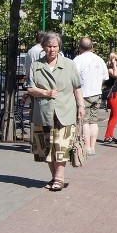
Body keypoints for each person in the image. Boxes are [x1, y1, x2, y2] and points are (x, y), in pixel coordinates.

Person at [27, 32, 85, 192]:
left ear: (59, 47)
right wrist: (45, 93)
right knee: (46, 148)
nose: (52, 49)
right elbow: (30, 88)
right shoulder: (36, 65)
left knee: (61, 146)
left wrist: (81, 106)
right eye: (48, 46)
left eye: (55, 46)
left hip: (65, 111)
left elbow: (77, 87)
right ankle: (54, 177)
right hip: (43, 113)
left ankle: (59, 178)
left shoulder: (69, 64)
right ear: (43, 47)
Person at [72, 36, 108, 155]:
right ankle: (93, 146)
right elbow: (105, 77)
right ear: (92, 47)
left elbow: (72, 78)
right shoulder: (99, 59)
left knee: (85, 121)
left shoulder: (78, 60)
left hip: (84, 94)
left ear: (80, 47)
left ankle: (87, 147)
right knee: (94, 121)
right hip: (97, 93)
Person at [102, 52, 117, 144]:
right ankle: (108, 136)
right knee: (116, 116)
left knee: (113, 115)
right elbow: (115, 75)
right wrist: (114, 65)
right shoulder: (109, 69)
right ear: (112, 60)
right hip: (113, 94)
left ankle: (109, 135)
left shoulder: (116, 69)